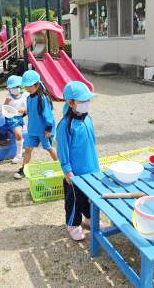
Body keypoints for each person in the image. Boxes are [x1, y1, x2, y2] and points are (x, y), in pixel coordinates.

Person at [57, 81, 106, 241]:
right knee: (74, 199)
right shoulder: (65, 125)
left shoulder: (88, 119)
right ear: (70, 103)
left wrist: (95, 166)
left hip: (90, 168)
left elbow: (90, 144)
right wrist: (67, 170)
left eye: (88, 100)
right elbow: (62, 150)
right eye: (82, 101)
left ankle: (89, 218)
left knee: (88, 196)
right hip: (75, 173)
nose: (87, 104)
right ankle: (73, 224)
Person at [14, 70, 57, 179]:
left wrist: (48, 129)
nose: (27, 89)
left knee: (49, 148)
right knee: (28, 149)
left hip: (43, 131)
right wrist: (23, 112)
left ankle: (61, 165)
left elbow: (48, 116)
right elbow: (31, 112)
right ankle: (24, 169)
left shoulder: (42, 98)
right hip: (32, 131)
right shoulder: (29, 98)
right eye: (25, 86)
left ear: (37, 85)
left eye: (29, 86)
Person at [4, 75, 28, 164]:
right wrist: (6, 104)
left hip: (19, 119)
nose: (14, 89)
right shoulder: (9, 96)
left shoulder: (24, 96)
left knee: (18, 134)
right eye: (12, 87)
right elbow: (5, 107)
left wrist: (23, 109)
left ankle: (18, 155)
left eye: (16, 87)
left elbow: (27, 109)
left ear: (21, 87)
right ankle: (20, 149)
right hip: (10, 118)